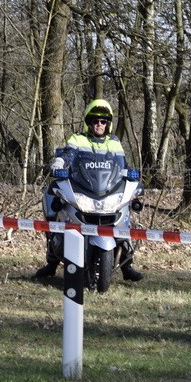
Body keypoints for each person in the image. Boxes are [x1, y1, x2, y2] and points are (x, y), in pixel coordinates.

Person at [35, 98, 144, 282]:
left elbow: (123, 166)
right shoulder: (78, 139)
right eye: (95, 120)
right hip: (83, 188)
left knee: (125, 215)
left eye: (103, 121)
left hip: (108, 190)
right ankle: (52, 262)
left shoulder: (115, 143)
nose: (99, 124)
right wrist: (57, 164)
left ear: (108, 123)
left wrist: (133, 178)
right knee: (52, 202)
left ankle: (127, 265)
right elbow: (67, 156)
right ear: (88, 122)